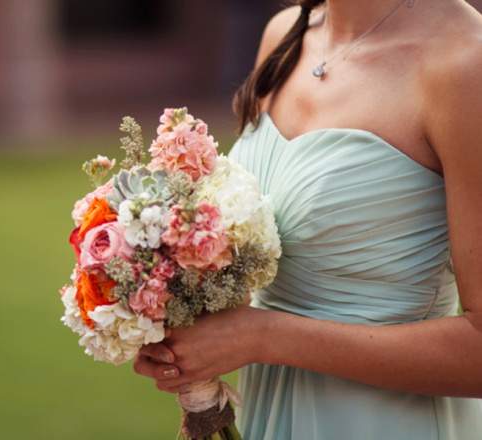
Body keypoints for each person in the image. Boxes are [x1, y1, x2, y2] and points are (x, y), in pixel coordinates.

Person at [133, 0, 482, 438]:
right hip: (269, 413)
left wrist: (263, 338)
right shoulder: (285, 36)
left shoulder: (466, 64)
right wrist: (180, 317)